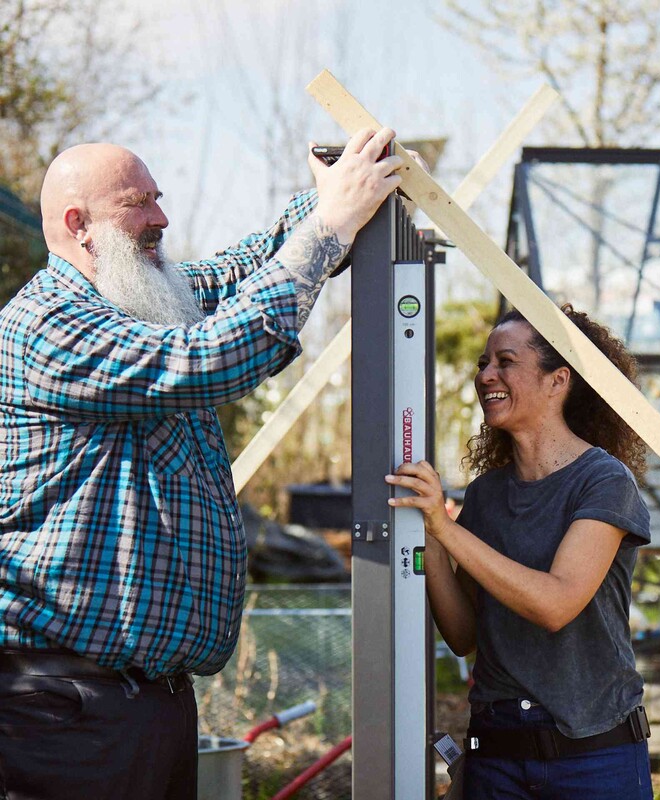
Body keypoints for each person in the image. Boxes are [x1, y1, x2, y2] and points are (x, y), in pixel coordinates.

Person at [0, 127, 403, 800]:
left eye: (159, 199)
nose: (161, 218)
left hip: (137, 703)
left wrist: (324, 201)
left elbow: (232, 275)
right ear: (79, 225)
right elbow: (204, 360)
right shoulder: (44, 325)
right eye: (139, 204)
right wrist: (330, 228)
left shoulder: (137, 298)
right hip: (64, 711)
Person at [387, 306, 654, 800]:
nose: (485, 374)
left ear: (558, 381)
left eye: (505, 361)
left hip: (595, 758)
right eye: (483, 362)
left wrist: (446, 529)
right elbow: (464, 634)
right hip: (498, 755)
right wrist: (427, 538)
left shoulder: (603, 480)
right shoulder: (486, 496)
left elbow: (555, 604)